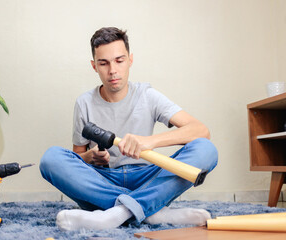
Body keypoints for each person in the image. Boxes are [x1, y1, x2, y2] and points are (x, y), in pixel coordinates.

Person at [39, 27, 218, 231]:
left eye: (119, 60)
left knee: (206, 149)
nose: (112, 70)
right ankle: (150, 211)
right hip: (105, 180)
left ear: (130, 60)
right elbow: (77, 157)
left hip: (148, 178)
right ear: (94, 66)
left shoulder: (147, 95)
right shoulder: (84, 103)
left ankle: (116, 214)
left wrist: (149, 142)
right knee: (51, 159)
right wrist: (92, 156)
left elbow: (201, 130)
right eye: (103, 63)